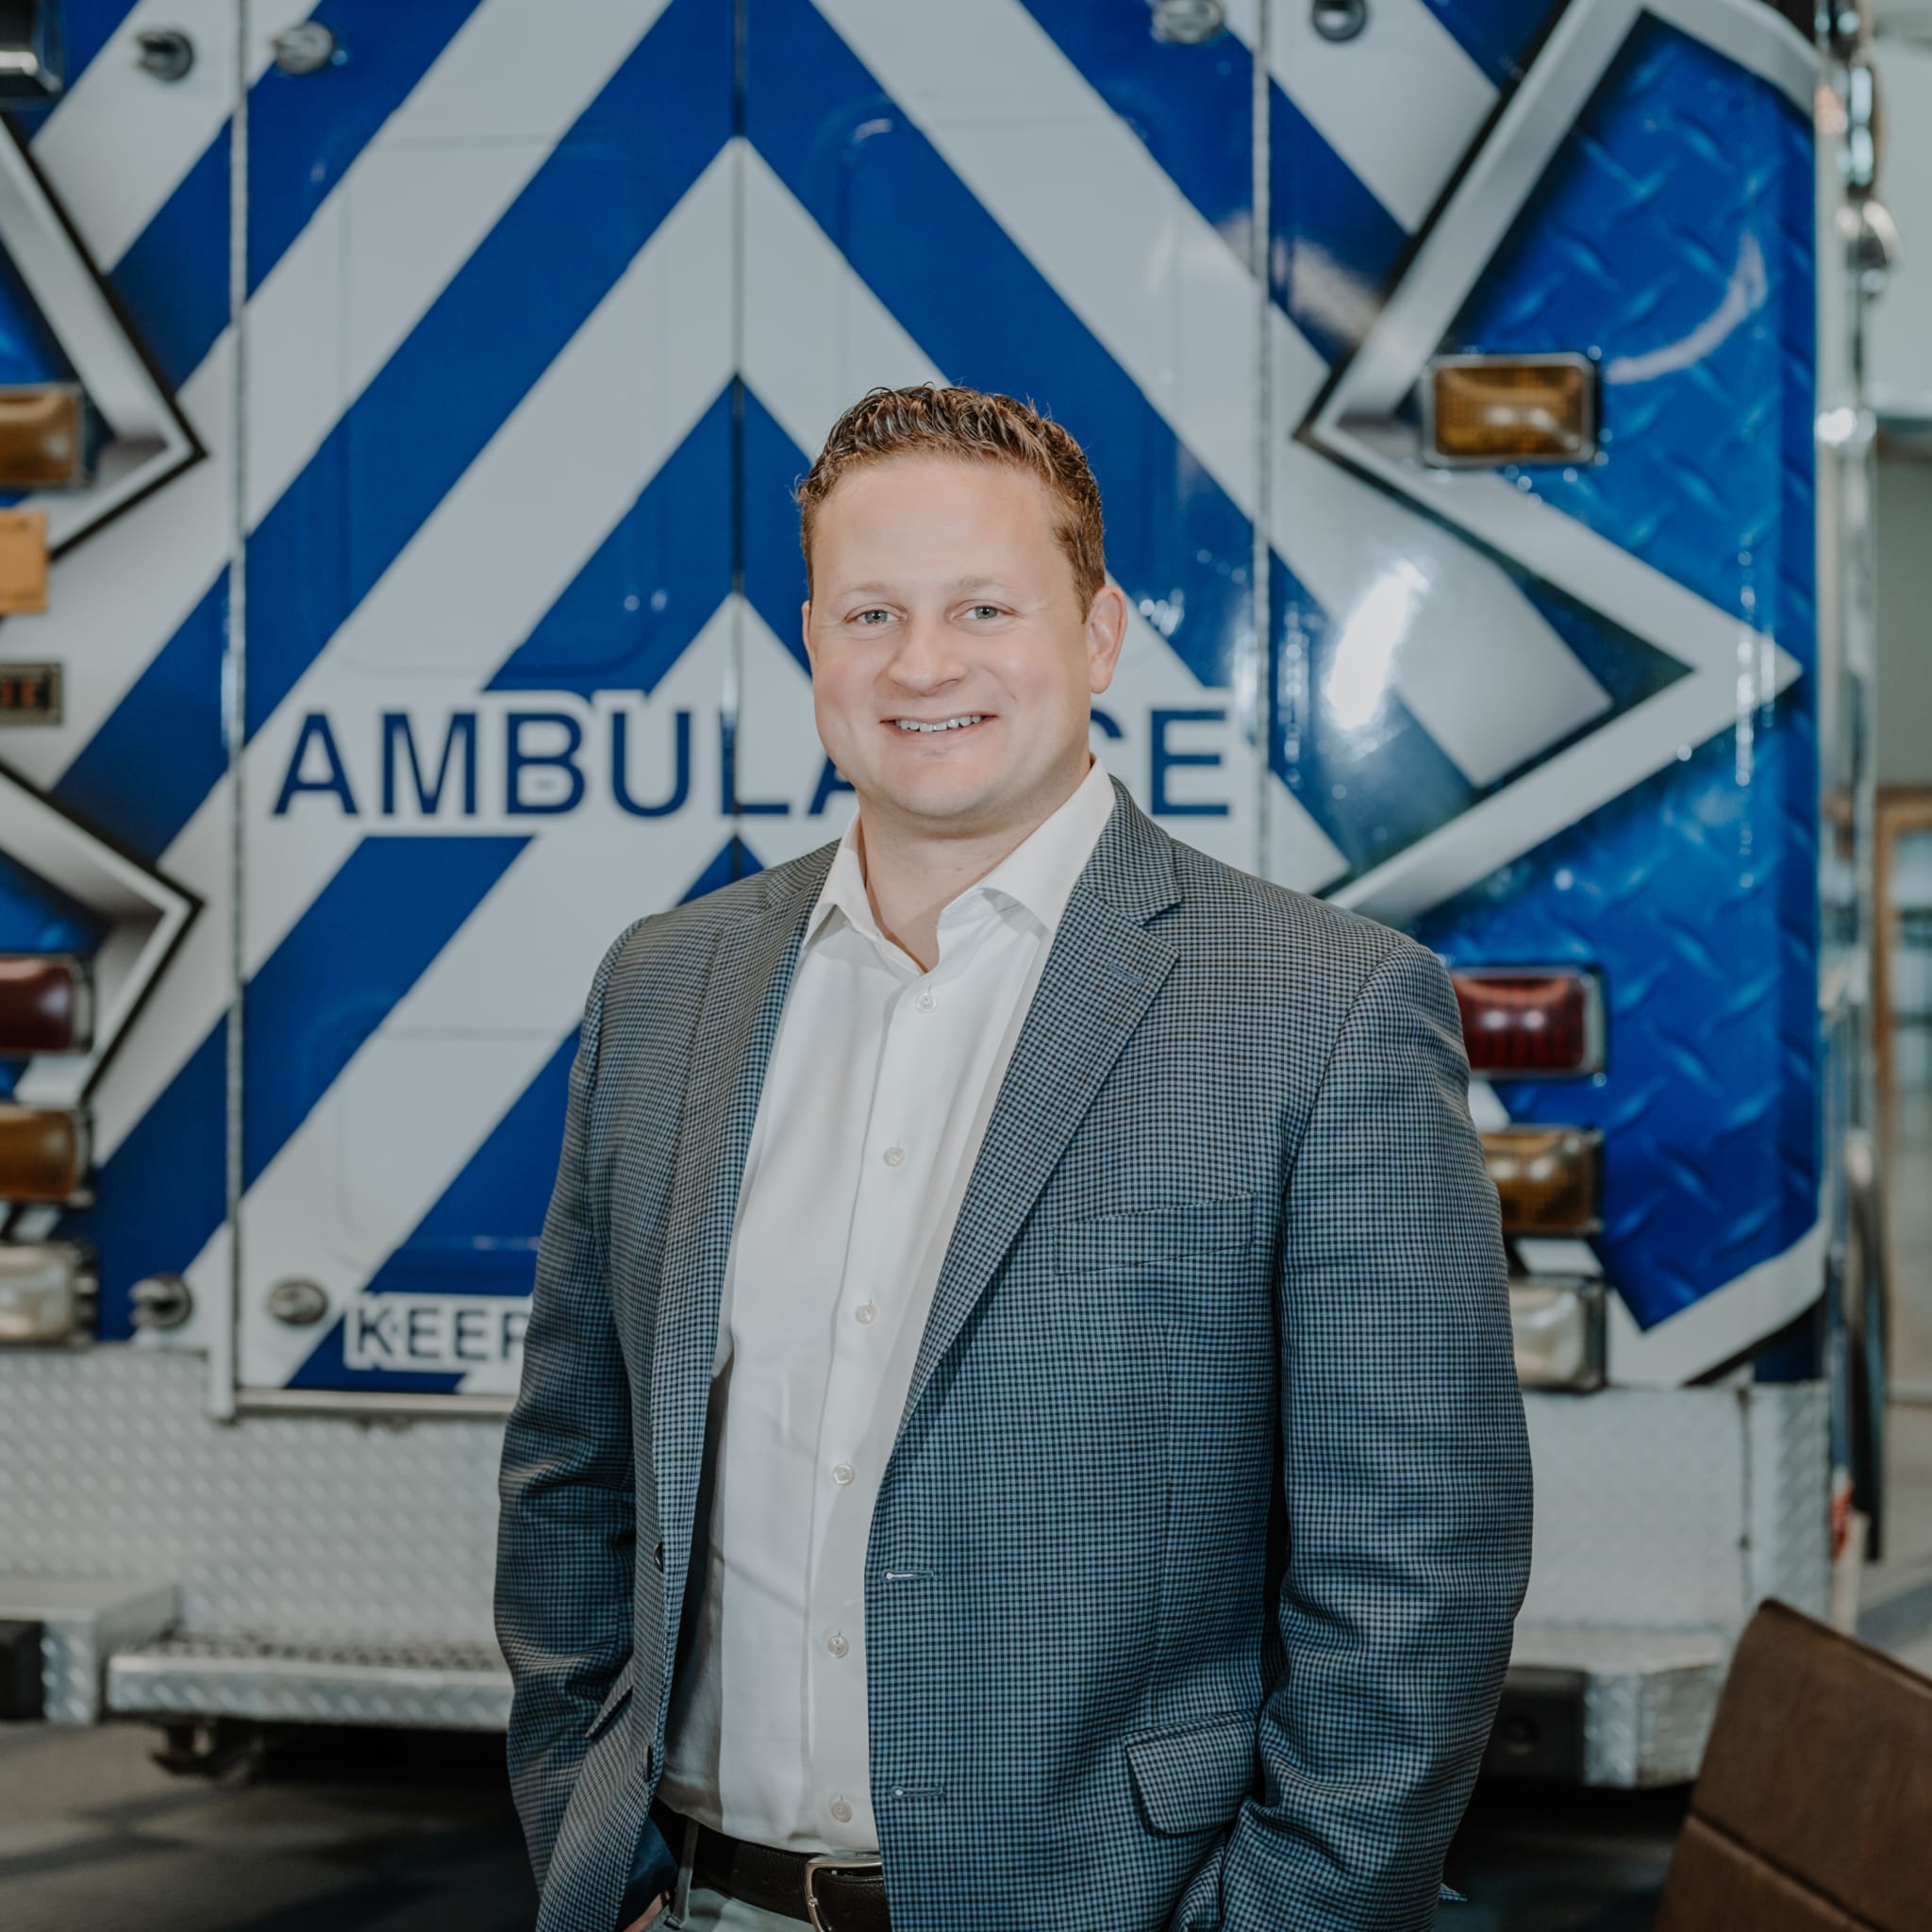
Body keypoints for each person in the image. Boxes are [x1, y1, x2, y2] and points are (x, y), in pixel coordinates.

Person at [495, 384, 1533, 1932]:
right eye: (871, 613)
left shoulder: (1323, 1010)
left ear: (1099, 633)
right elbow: (573, 1471)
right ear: (811, 644)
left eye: (985, 606)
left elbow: (1416, 1573)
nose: (923, 665)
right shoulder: (663, 986)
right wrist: (598, 1847)